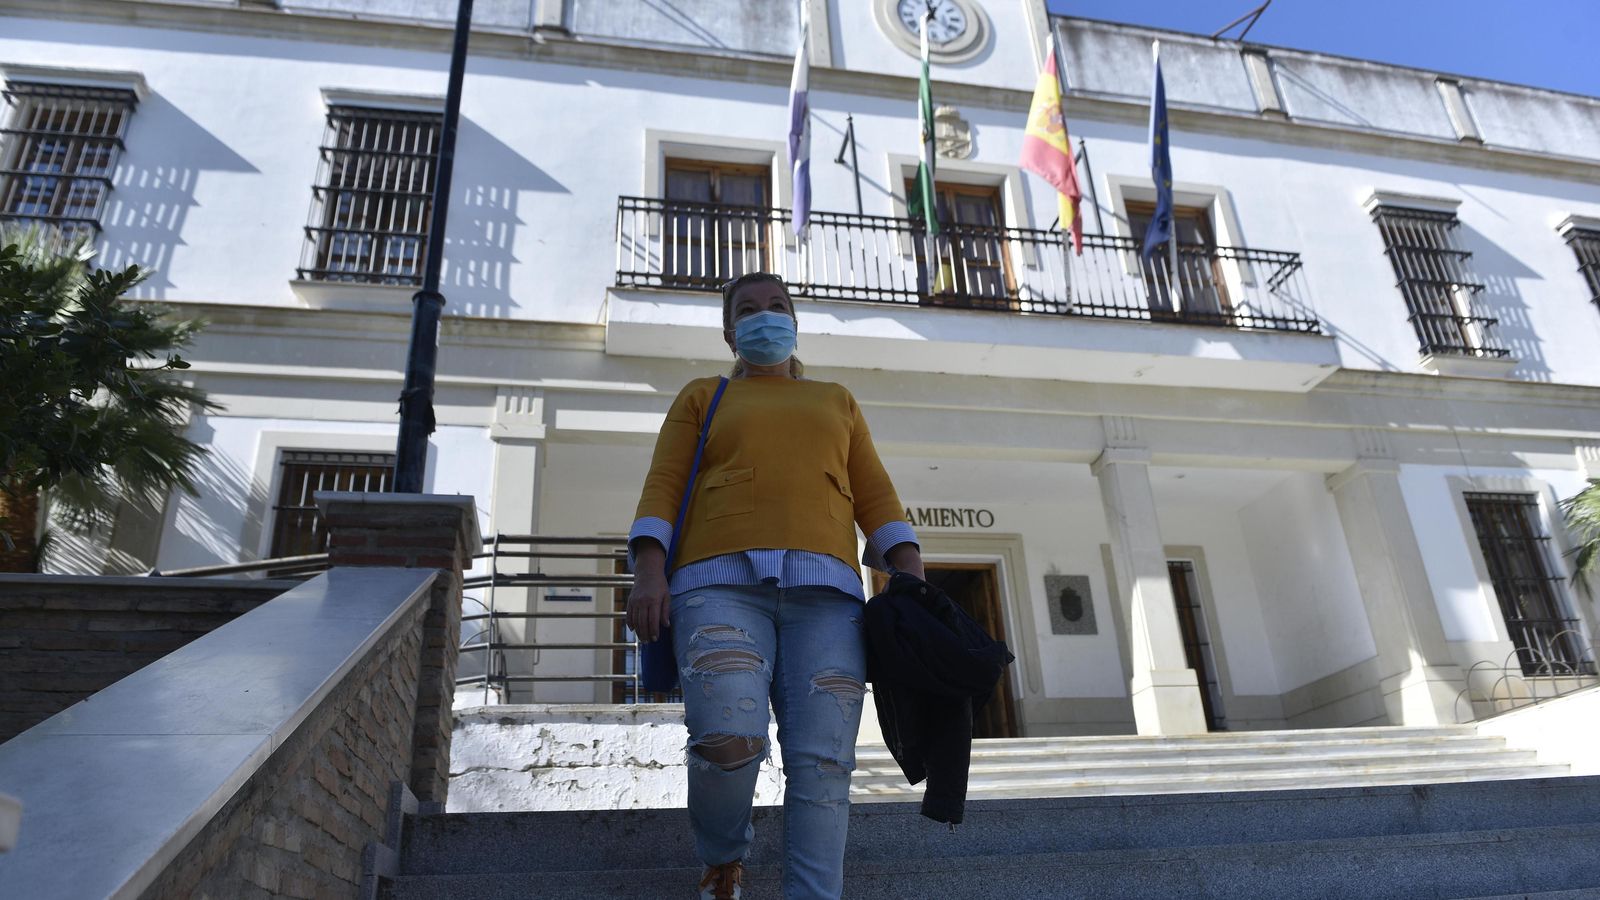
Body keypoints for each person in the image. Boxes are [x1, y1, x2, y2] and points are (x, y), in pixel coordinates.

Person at [626, 272, 924, 900]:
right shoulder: (702, 397)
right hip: (715, 585)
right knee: (726, 739)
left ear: (794, 320)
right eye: (749, 310)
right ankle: (723, 857)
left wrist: (910, 572)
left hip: (830, 602)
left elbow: (875, 493)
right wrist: (648, 571)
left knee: (824, 764)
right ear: (730, 331)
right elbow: (663, 484)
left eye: (777, 307)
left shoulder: (836, 399)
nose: (766, 317)